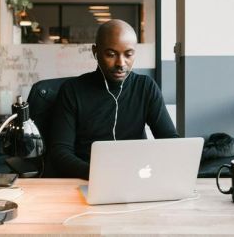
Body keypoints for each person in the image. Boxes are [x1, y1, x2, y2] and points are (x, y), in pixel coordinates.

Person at [49, 19, 178, 179]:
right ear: (95, 52)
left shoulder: (145, 87)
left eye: (128, 54)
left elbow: (170, 142)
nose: (121, 63)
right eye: (111, 54)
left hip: (136, 178)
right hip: (86, 179)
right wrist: (100, 175)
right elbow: (59, 153)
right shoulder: (72, 90)